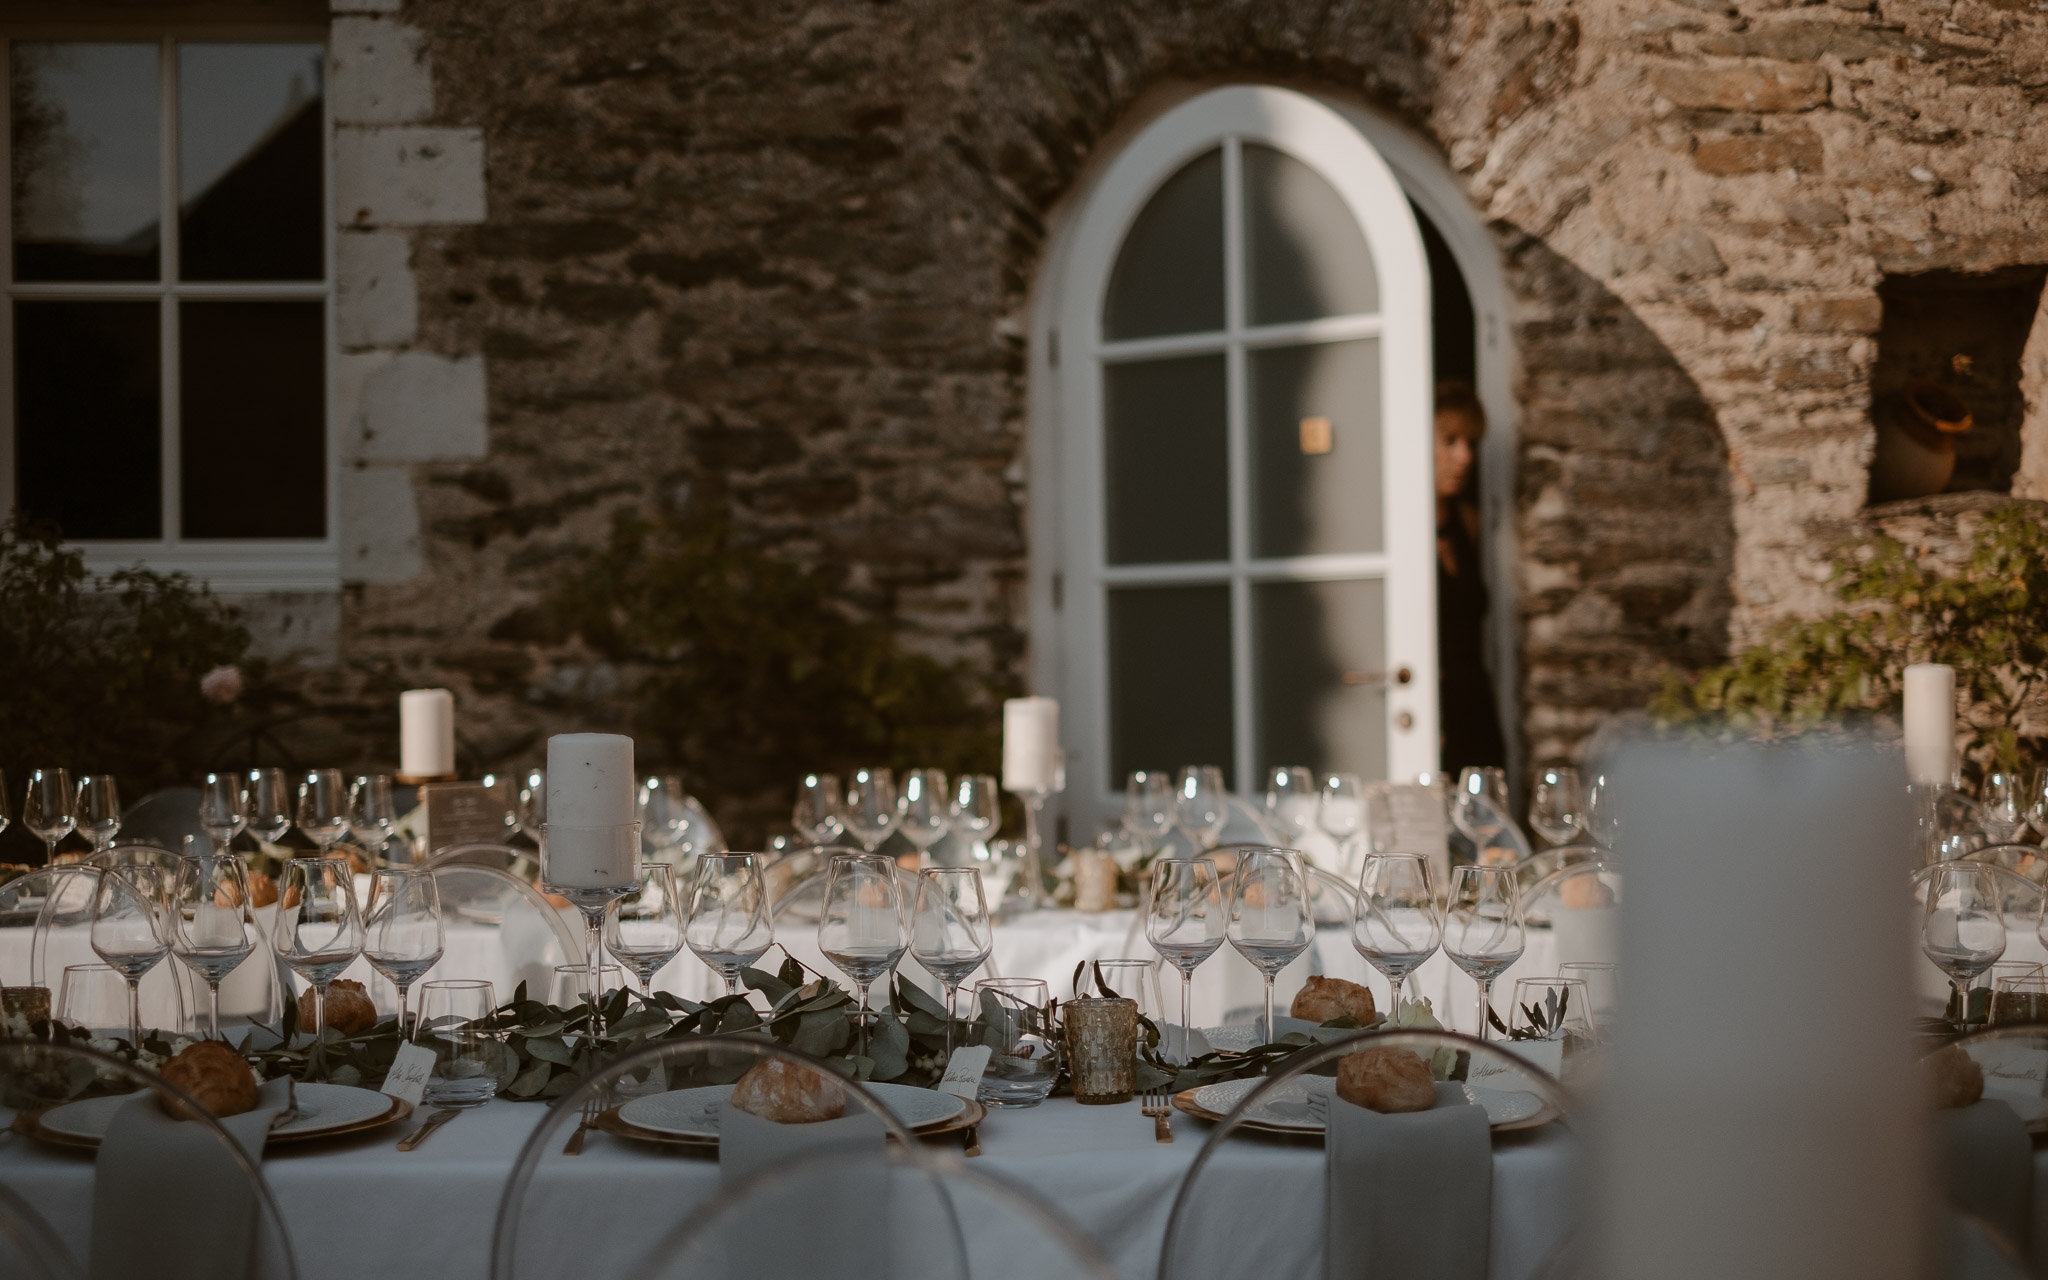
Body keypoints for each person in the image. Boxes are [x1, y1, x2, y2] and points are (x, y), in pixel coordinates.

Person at [1434, 381, 1508, 774]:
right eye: (1449, 440)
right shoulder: (1400, 545)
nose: (1464, 456)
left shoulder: (1468, 522)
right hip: (1428, 710)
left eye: (1471, 443)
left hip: (1475, 707)